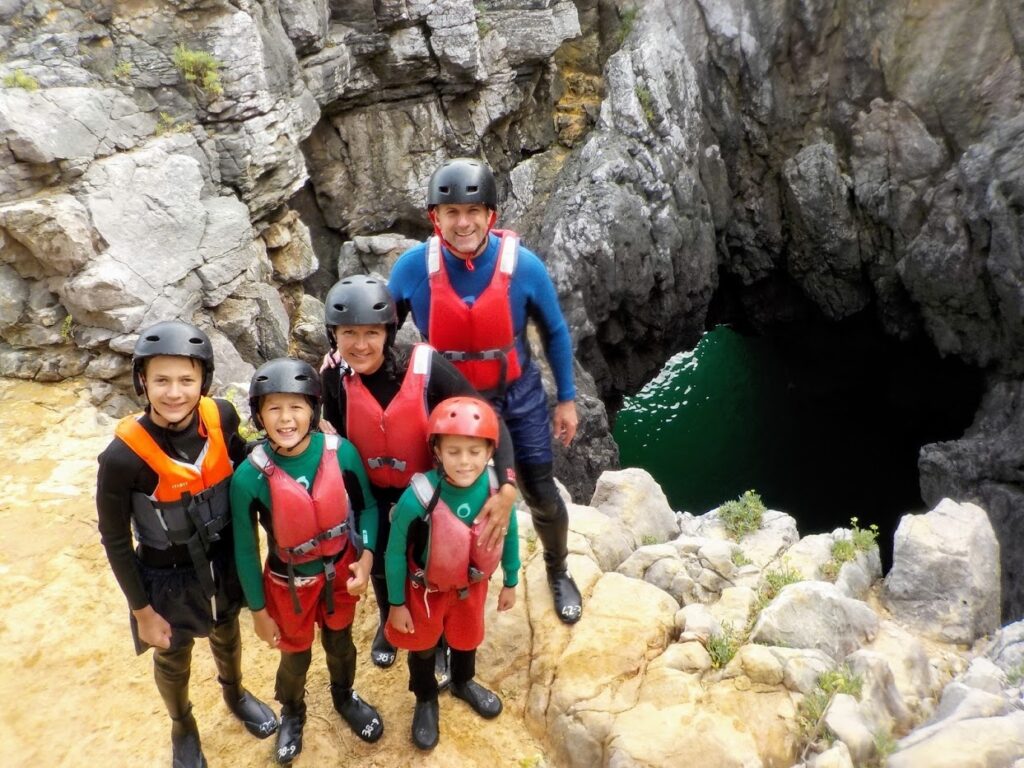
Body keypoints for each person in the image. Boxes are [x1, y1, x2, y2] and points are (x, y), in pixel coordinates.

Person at [388, 156, 583, 624]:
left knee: (540, 492)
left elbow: (555, 331)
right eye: (451, 213)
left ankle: (558, 570)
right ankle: (423, 589)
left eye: (473, 212)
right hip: (448, 403)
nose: (463, 223)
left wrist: (567, 398)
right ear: (435, 218)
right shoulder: (413, 269)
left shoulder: (523, 267)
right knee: (431, 501)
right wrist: (344, 369)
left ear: (490, 215)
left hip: (516, 396)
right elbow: (380, 334)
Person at [96, 320, 278, 768]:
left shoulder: (222, 416)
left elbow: (242, 456)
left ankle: (235, 693)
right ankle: (183, 725)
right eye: (161, 380)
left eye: (186, 380)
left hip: (222, 560)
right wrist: (143, 611)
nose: (174, 392)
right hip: (166, 576)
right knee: (172, 656)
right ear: (142, 381)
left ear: (204, 381)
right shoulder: (122, 459)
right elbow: (115, 539)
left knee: (226, 632)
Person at [320, 274, 519, 675]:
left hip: (430, 494)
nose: (361, 344)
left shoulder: (426, 367)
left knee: (436, 562)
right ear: (333, 336)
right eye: (349, 333)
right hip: (373, 494)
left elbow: (487, 418)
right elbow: (339, 435)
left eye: (372, 333)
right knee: (381, 561)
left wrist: (508, 486)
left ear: (388, 333)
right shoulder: (334, 375)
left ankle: (440, 636)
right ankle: (389, 619)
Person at [230, 358, 384, 765]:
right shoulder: (249, 477)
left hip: (339, 572)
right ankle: (292, 712)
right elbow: (245, 549)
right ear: (259, 415)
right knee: (294, 656)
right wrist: (258, 611)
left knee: (340, 643)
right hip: (289, 582)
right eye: (274, 408)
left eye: (296, 407)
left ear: (313, 410)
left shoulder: (341, 453)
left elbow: (368, 507)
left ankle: (344, 696)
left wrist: (367, 557)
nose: (286, 419)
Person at [384, 396, 519, 750]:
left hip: (471, 587)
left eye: (474, 452)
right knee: (422, 647)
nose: (464, 461)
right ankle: (425, 697)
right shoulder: (419, 497)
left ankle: (462, 681)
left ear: (490, 452)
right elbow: (394, 552)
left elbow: (509, 534)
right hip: (426, 591)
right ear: (437, 451)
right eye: (454, 451)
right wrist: (396, 603)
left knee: (467, 638)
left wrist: (511, 580)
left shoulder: (495, 493)